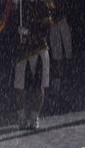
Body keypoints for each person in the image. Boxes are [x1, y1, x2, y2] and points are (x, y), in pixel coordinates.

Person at [12, 0, 53, 129]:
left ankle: (34, 117)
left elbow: (47, 28)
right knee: (19, 87)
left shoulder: (43, 4)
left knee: (39, 86)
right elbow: (8, 26)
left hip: (39, 49)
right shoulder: (18, 5)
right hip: (22, 52)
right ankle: (21, 117)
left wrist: (30, 33)